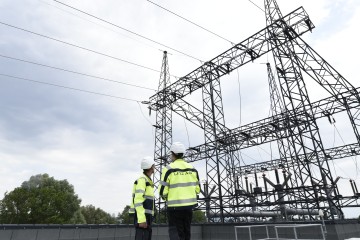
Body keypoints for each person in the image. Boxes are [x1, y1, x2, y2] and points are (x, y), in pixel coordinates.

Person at [159, 142, 200, 240]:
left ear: (173, 154)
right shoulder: (193, 169)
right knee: (187, 233)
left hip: (174, 209)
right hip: (189, 208)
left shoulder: (168, 169)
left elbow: (162, 191)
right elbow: (198, 190)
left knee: (176, 234)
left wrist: (167, 198)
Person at [129, 156, 155, 240]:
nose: (155, 167)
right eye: (154, 165)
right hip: (143, 218)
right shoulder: (142, 180)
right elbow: (138, 201)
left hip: (146, 217)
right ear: (151, 167)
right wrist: (141, 219)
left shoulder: (147, 180)